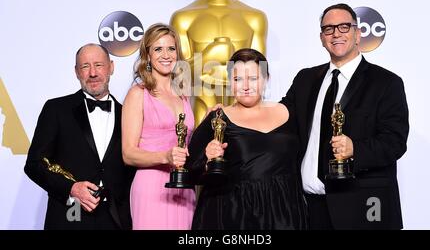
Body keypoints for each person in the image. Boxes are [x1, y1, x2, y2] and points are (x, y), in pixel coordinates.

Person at [281, 3, 409, 229]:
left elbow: (395, 142)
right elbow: (280, 117)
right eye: (329, 29)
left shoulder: (386, 83)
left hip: (363, 209)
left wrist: (355, 149)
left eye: (344, 27)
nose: (336, 33)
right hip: (310, 208)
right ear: (322, 38)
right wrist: (232, 114)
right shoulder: (305, 79)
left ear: (358, 34)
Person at [185, 48, 306, 230]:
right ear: (229, 82)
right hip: (235, 216)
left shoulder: (289, 112)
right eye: (237, 79)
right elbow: (189, 170)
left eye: (253, 78)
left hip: (286, 212)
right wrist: (206, 158)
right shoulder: (217, 118)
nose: (246, 86)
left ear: (266, 79)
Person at [24, 44, 134, 230]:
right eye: (85, 66)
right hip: (69, 215)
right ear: (76, 72)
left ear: (111, 67)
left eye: (98, 65)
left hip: (116, 220)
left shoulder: (129, 115)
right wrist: (71, 188)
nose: (92, 73)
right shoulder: (56, 109)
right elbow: (34, 164)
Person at [170, 0, 268, 124]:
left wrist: (207, 65)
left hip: (243, 115)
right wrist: (211, 54)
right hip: (199, 109)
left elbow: (259, 75)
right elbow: (180, 79)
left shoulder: (254, 18)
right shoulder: (183, 18)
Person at [121, 23, 196, 230]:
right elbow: (128, 154)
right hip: (152, 187)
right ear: (148, 55)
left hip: (183, 189)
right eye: (158, 49)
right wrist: (165, 157)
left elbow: (188, 144)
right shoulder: (138, 94)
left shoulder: (183, 95)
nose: (166, 55)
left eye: (171, 49)